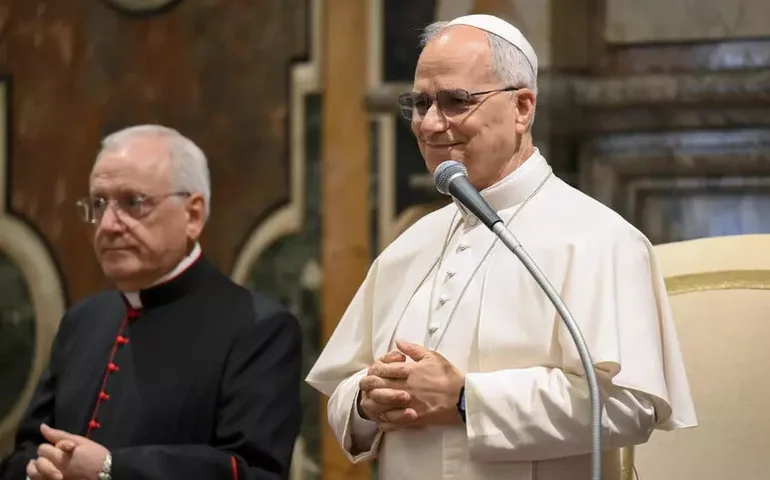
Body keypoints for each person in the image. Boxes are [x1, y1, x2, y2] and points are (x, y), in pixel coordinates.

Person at [306, 14, 698, 480]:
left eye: (455, 101)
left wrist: (466, 400)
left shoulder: (599, 237)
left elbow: (629, 404)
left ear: (523, 107)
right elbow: (342, 388)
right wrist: (369, 401)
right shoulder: (411, 244)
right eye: (420, 103)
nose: (430, 123)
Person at [0, 125, 302, 480]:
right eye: (98, 204)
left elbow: (254, 472)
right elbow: (27, 450)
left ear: (193, 214)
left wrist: (111, 469)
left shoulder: (259, 328)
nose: (109, 224)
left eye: (133, 202)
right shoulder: (82, 321)